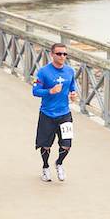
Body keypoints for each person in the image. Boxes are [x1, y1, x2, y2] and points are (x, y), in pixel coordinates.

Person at [32, 43, 78, 182]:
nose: (62, 56)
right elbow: (35, 91)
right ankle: (45, 167)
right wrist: (50, 91)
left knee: (67, 144)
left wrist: (73, 94)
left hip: (64, 114)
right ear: (52, 54)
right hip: (47, 114)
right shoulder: (43, 72)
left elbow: (72, 86)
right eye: (59, 54)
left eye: (65, 54)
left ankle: (59, 163)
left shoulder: (70, 71)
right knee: (46, 145)